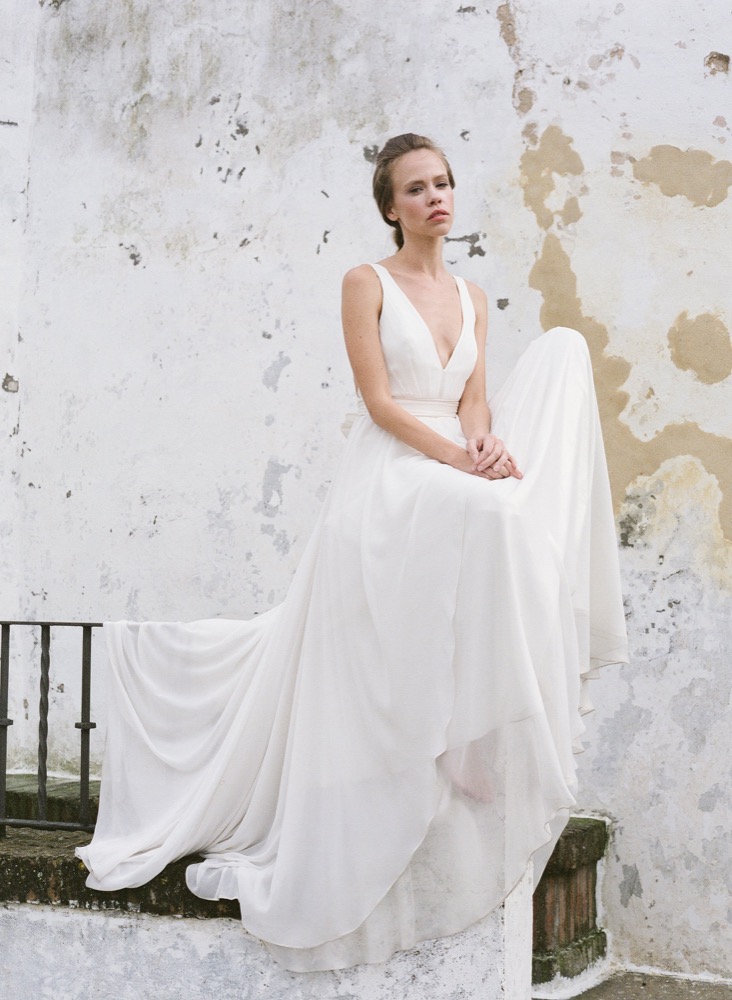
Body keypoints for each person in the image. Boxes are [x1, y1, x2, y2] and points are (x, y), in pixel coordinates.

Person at [77, 133, 628, 973]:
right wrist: (459, 462)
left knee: (513, 523)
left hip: (452, 464)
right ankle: (447, 740)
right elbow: (379, 402)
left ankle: (468, 735)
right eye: (417, 188)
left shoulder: (474, 297)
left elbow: (474, 402)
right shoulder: (365, 282)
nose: (436, 197)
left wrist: (483, 445)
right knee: (491, 516)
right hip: (394, 472)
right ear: (391, 207)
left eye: (443, 183)